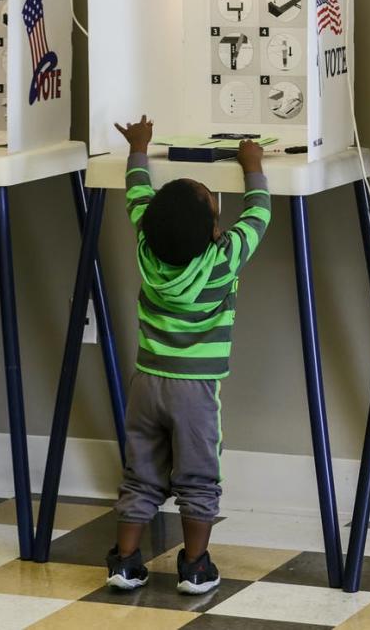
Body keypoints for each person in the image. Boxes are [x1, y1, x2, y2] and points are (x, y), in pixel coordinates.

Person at [106, 116, 270, 594]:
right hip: (196, 393)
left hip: (146, 383)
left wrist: (139, 148)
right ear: (214, 226)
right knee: (199, 476)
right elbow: (259, 214)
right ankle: (196, 565)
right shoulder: (223, 261)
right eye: (207, 195)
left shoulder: (146, 246)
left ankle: (126, 562)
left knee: (140, 473)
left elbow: (137, 191)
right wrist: (252, 166)